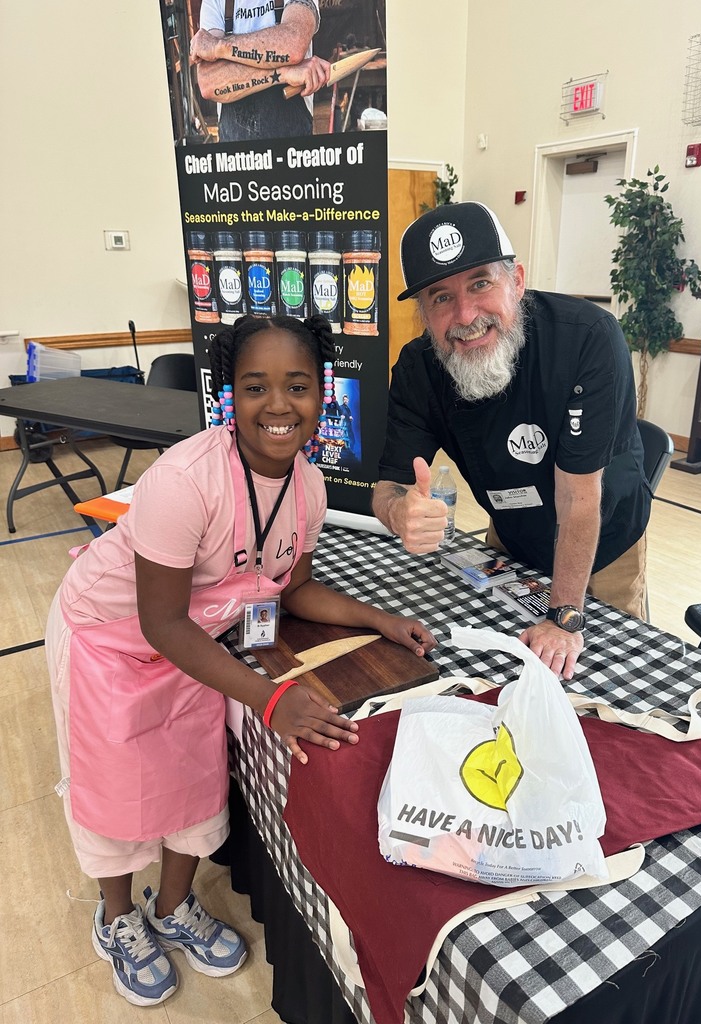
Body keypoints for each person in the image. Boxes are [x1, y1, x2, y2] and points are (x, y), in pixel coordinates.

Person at [45, 313, 435, 1007]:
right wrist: (270, 698)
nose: (279, 406)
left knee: (193, 780)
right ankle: (118, 918)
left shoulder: (307, 488)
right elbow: (160, 619)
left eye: (298, 386)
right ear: (229, 395)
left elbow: (297, 588)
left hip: (197, 644)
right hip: (109, 636)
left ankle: (171, 909)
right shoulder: (184, 480)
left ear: (323, 394)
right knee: (116, 790)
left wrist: (382, 621)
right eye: (256, 387)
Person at [372, 202, 651, 681]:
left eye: (481, 283)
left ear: (517, 280)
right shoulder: (419, 369)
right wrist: (400, 514)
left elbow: (578, 495)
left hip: (602, 546)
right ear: (423, 313)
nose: (465, 315)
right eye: (440, 298)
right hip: (511, 541)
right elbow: (388, 487)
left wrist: (564, 617)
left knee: (607, 692)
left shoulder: (587, 339)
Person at [191, 0, 329, 142]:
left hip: (291, 153)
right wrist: (284, 73)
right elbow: (210, 82)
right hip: (236, 158)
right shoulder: (214, 2)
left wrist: (219, 47)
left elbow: (294, 42)